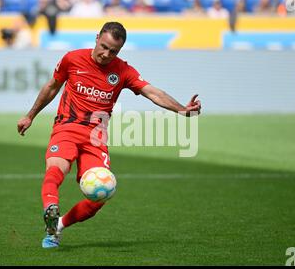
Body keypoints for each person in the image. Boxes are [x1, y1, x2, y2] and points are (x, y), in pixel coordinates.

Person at [16, 22, 202, 248]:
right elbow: (51, 87)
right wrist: (30, 116)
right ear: (96, 38)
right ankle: (50, 208)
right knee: (56, 169)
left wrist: (182, 109)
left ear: (120, 50)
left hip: (96, 138)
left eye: (113, 51)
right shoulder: (72, 59)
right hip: (67, 127)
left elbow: (152, 92)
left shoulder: (123, 71)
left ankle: (57, 227)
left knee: (101, 195)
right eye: (103, 46)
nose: (106, 54)